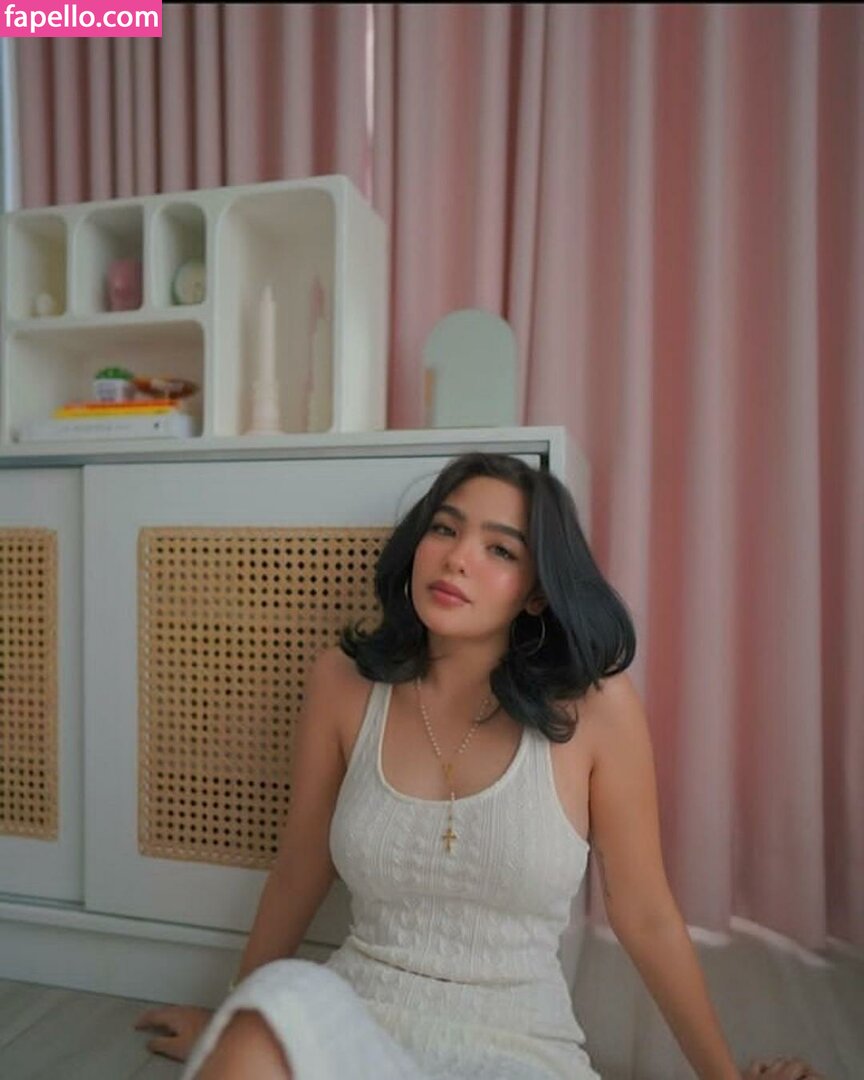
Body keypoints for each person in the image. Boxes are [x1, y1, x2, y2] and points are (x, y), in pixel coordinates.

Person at [135, 452, 823, 1080]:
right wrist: (233, 1018)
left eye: (500, 548)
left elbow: (644, 914)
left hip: (515, 1045)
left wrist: (724, 1078)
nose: (458, 558)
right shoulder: (343, 683)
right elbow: (300, 865)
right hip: (353, 1012)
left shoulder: (596, 709)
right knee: (253, 1040)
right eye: (444, 529)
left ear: (536, 592)